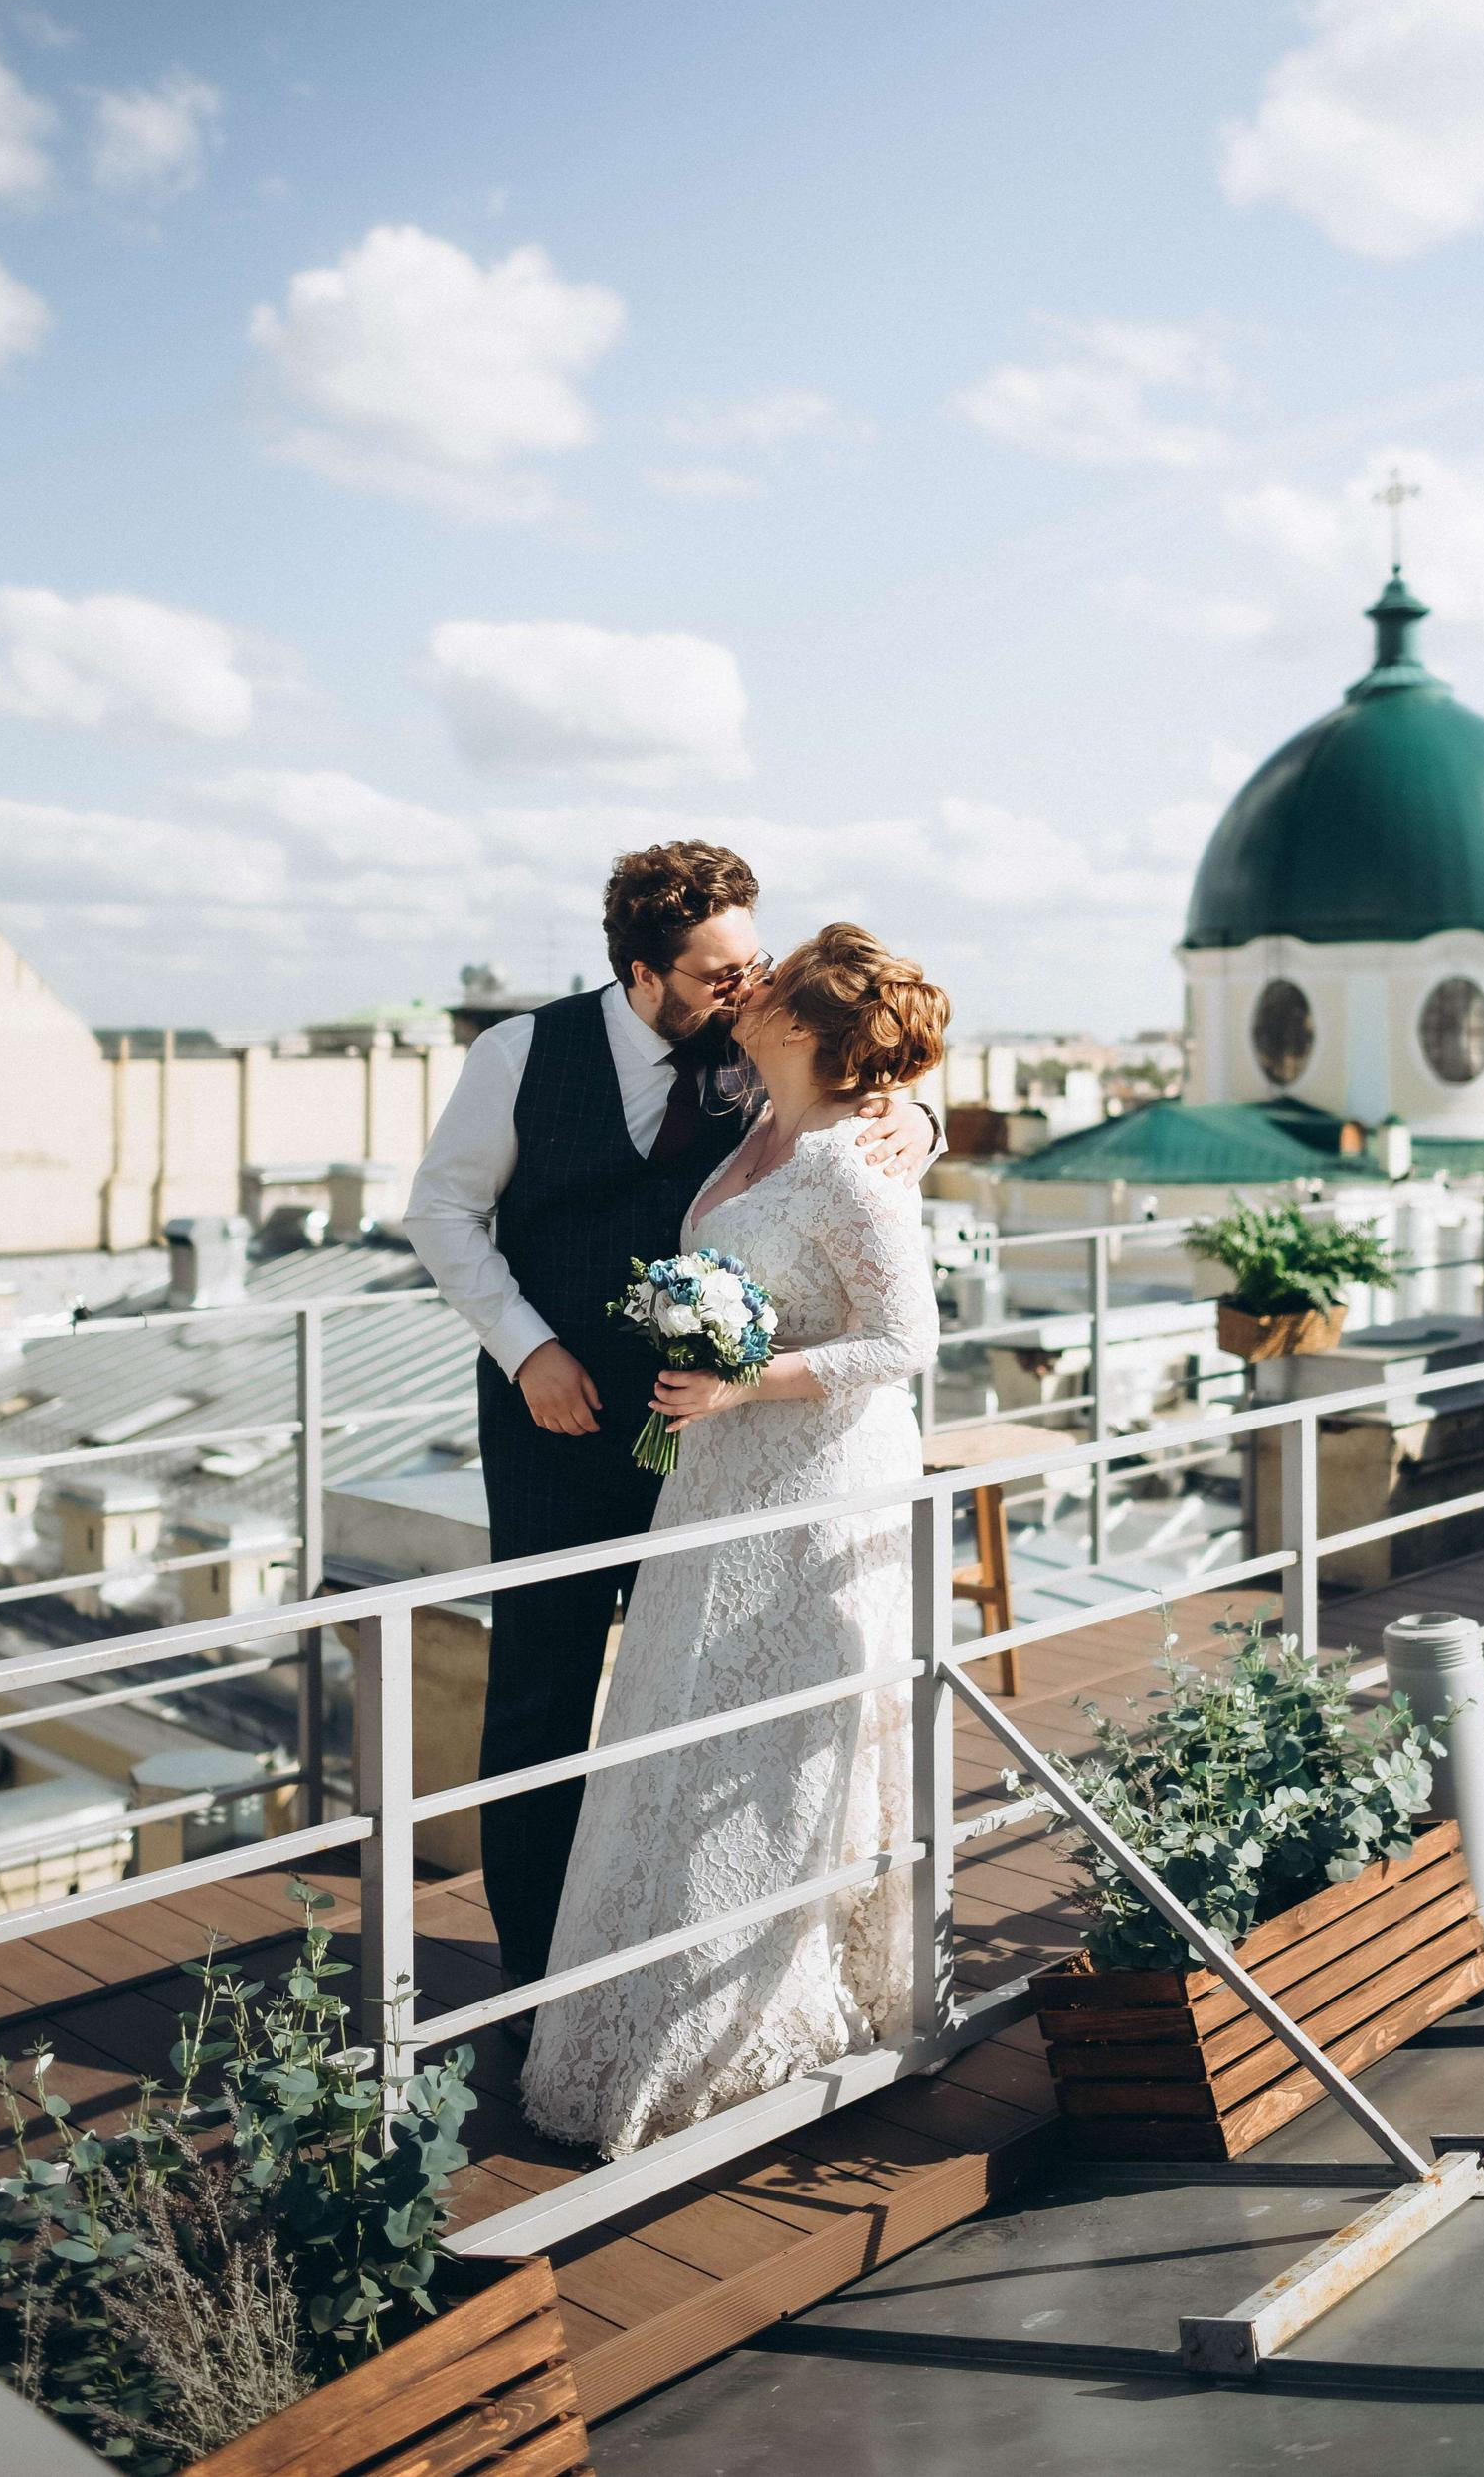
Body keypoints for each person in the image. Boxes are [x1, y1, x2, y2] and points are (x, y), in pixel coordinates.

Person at [401, 846, 940, 2006]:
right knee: (541, 1688)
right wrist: (527, 1347)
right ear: (644, 971)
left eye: (754, 961)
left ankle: (669, 1958)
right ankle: (537, 1968)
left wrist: (922, 1121)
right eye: (718, 972)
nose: (748, 988)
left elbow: (855, 1109)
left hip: (721, 1445)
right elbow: (439, 1208)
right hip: (552, 1419)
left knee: (692, 1697)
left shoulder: (760, 1052)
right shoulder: (517, 1053)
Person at [519, 923, 948, 2158]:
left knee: (776, 1740)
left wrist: (743, 1376)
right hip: (715, 1477)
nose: (746, 992)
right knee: (677, 1711)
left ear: (808, 1032)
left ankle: (759, 2013)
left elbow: (903, 1339)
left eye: (772, 985)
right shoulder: (748, 1109)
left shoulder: (850, 1162)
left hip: (809, 1473)